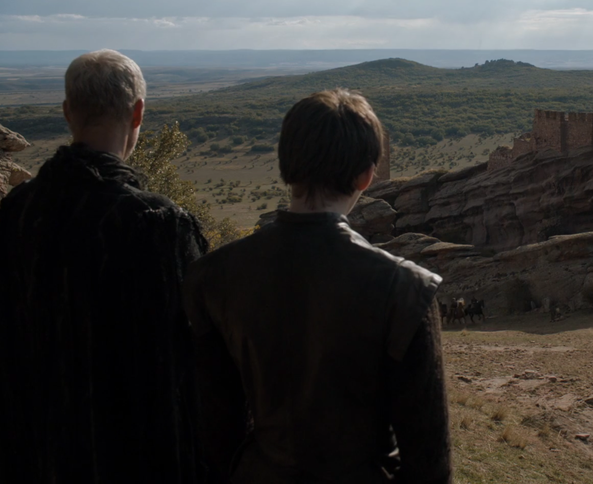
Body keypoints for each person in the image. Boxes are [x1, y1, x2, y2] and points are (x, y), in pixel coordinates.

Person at [183, 89, 452, 483]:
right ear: (367, 176)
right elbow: (429, 463)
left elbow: (216, 431)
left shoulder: (212, 276)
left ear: (285, 166)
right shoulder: (406, 288)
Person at [0, 49, 209, 483]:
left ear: (68, 112)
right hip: (131, 460)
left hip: (35, 455)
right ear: (138, 113)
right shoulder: (157, 223)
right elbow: (187, 362)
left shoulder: (18, 210)